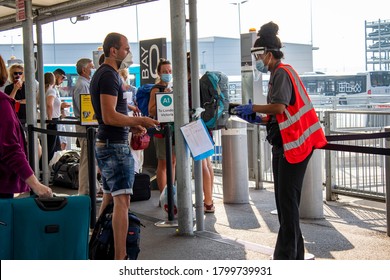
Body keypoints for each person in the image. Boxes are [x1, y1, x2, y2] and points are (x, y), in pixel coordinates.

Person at [235, 22, 327, 260]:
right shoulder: (278, 73)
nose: (257, 60)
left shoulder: (283, 73)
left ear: (268, 53)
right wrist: (259, 117)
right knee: (286, 204)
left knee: (287, 204)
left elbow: (280, 106)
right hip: (287, 144)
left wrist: (254, 107)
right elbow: (280, 114)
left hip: (294, 146)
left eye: (258, 55)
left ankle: (287, 258)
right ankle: (292, 255)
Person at [90, 32, 159, 260]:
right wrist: (140, 120)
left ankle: (98, 245)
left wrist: (131, 126)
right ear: (113, 50)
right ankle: (120, 259)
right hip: (114, 146)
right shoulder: (109, 76)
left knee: (110, 197)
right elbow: (110, 116)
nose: (128, 53)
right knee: (123, 201)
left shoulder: (105, 74)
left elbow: (112, 115)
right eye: (126, 48)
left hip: (109, 142)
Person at [0, 54, 53, 199]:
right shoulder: (3, 103)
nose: (18, 75)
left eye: (20, 73)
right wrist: (35, 185)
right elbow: (10, 149)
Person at [187, 53, 215, 213]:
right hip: (206, 126)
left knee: (202, 164)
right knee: (208, 163)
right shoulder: (200, 84)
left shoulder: (190, 86)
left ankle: (208, 201)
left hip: (196, 127)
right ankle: (209, 199)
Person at [148, 58, 176, 194]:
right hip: (161, 130)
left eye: (170, 71)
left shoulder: (173, 88)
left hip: (173, 129)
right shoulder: (156, 89)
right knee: (163, 162)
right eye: (165, 71)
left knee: (173, 162)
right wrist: (162, 100)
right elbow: (151, 110)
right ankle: (163, 194)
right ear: (159, 73)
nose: (168, 73)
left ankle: (171, 193)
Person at [72, 58, 95, 195]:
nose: (93, 69)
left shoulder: (85, 83)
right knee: (86, 159)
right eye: (91, 67)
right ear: (84, 69)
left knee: (88, 159)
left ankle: (91, 187)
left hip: (86, 125)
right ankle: (85, 191)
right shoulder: (83, 85)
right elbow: (85, 109)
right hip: (86, 126)